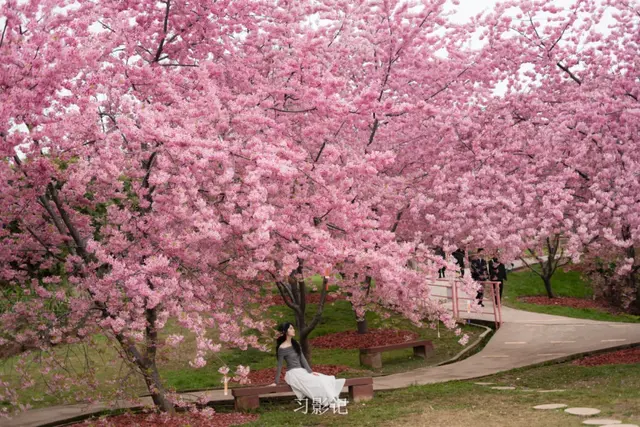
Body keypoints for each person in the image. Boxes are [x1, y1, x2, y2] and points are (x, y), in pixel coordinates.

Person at [270, 322, 346, 409]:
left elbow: (302, 359)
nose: (293, 330)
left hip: (301, 371)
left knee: (322, 379)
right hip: (293, 374)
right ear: (285, 332)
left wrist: (310, 371)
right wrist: (275, 382)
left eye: (293, 328)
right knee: (317, 382)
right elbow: (279, 365)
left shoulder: (296, 344)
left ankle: (330, 400)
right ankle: (327, 401)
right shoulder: (282, 348)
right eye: (290, 328)